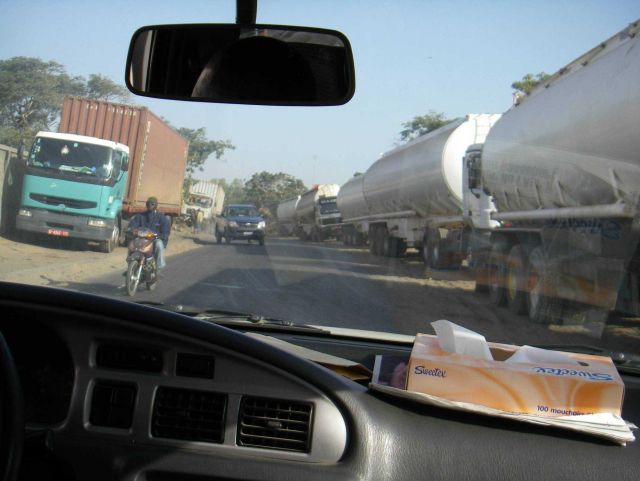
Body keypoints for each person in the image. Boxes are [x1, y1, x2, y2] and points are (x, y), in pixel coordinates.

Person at [127, 197, 171, 270]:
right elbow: (133, 225)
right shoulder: (140, 215)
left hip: (155, 239)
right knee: (132, 244)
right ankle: (130, 265)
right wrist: (132, 230)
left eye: (152, 204)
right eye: (148, 203)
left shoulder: (162, 218)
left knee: (159, 244)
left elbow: (165, 232)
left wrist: (158, 235)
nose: (150, 205)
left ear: (156, 205)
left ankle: (158, 267)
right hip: (142, 239)